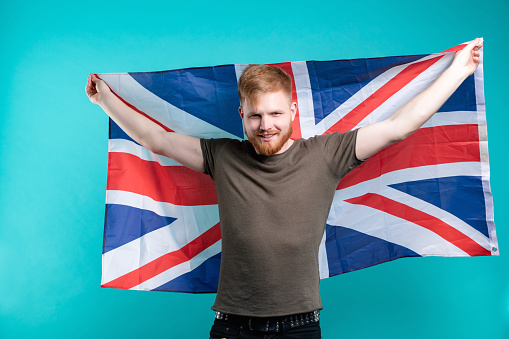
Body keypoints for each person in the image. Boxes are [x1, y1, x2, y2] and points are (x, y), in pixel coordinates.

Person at [86, 38, 483, 338]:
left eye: (275, 113)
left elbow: (399, 126)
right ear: (241, 114)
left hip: (299, 327)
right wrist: (104, 99)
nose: (266, 125)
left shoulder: (327, 154)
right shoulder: (223, 156)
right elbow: (159, 141)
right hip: (231, 326)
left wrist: (459, 70)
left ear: (293, 110)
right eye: (255, 115)